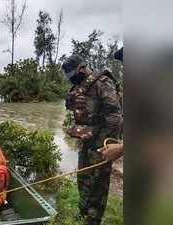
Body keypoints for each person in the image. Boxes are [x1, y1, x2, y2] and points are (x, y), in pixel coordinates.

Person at [62, 54, 123, 225]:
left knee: (98, 182)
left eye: (73, 73)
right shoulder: (79, 85)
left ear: (82, 67)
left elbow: (115, 117)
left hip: (102, 142)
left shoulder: (103, 83)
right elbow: (71, 106)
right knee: (83, 176)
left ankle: (94, 219)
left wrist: (105, 141)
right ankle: (83, 211)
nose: (72, 78)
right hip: (86, 140)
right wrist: (71, 102)